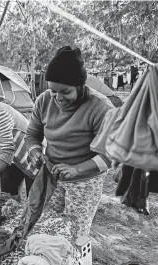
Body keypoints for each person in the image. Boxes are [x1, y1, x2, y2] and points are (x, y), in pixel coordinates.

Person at [26, 46, 114, 237]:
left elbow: (110, 155)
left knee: (75, 233)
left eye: (65, 92)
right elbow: (32, 135)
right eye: (53, 91)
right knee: (48, 225)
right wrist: (35, 152)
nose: (58, 98)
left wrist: (77, 169)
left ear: (80, 85)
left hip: (85, 181)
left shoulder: (100, 107)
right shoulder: (44, 101)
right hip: (52, 175)